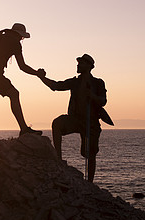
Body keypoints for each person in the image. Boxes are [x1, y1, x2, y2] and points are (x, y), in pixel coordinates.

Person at [38, 53, 112, 181]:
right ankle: (59, 159)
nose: (78, 65)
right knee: (57, 124)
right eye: (78, 63)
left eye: (81, 63)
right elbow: (56, 86)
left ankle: (90, 182)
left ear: (89, 66)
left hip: (91, 121)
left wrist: (92, 96)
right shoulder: (75, 82)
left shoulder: (98, 83)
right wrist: (41, 78)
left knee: (89, 153)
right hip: (75, 119)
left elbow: (103, 100)